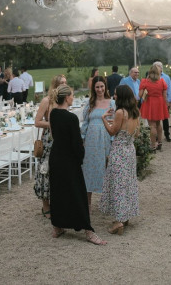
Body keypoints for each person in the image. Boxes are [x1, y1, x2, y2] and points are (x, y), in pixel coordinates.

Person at [49, 84, 106, 245]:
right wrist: (81, 157)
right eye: (72, 95)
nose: (73, 98)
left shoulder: (53, 113)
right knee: (78, 193)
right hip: (68, 159)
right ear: (67, 98)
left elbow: (54, 135)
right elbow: (76, 143)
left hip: (56, 156)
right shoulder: (71, 118)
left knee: (58, 191)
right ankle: (88, 231)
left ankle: (58, 226)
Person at [99, 85, 140, 235]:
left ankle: (118, 222)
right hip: (130, 150)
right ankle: (125, 216)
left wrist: (103, 119)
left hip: (119, 151)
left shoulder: (120, 112)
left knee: (118, 185)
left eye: (116, 94)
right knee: (128, 183)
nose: (114, 96)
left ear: (121, 96)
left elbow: (112, 131)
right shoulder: (134, 112)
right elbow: (136, 133)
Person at [34, 74, 66, 218]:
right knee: (45, 170)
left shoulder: (64, 100)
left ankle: (57, 201)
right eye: (61, 83)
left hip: (61, 138)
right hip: (49, 139)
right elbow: (37, 122)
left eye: (65, 83)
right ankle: (45, 205)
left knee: (59, 170)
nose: (64, 85)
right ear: (55, 85)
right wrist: (53, 124)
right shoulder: (47, 100)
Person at [80, 75, 115, 209]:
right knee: (88, 169)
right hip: (91, 140)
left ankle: (108, 202)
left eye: (102, 86)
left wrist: (112, 140)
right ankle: (87, 203)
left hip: (105, 138)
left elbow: (114, 122)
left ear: (105, 87)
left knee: (106, 168)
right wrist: (82, 139)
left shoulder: (111, 103)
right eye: (97, 87)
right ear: (93, 88)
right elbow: (85, 123)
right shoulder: (90, 104)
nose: (100, 89)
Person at [139, 64, 169, 151]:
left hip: (149, 103)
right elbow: (165, 96)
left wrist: (145, 90)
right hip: (159, 103)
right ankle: (159, 143)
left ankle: (153, 145)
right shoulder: (162, 81)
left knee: (152, 126)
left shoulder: (145, 81)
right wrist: (165, 105)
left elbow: (140, 95)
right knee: (158, 124)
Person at [153, 61, 171, 143]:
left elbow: (169, 89)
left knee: (165, 119)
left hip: (164, 101)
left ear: (162, 68)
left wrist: (169, 100)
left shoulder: (166, 77)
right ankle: (156, 136)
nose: (158, 68)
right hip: (155, 101)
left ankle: (167, 134)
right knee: (155, 119)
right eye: (156, 67)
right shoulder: (151, 77)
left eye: (159, 67)